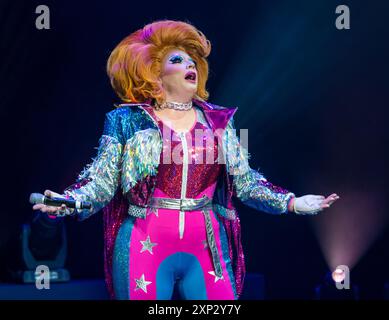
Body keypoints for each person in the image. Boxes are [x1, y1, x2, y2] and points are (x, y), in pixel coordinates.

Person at [32, 20, 340, 300]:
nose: (189, 63)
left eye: (192, 60)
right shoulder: (127, 120)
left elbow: (246, 183)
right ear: (154, 72)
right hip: (144, 243)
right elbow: (102, 182)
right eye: (176, 60)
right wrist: (69, 201)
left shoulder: (219, 121)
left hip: (207, 245)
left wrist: (291, 202)